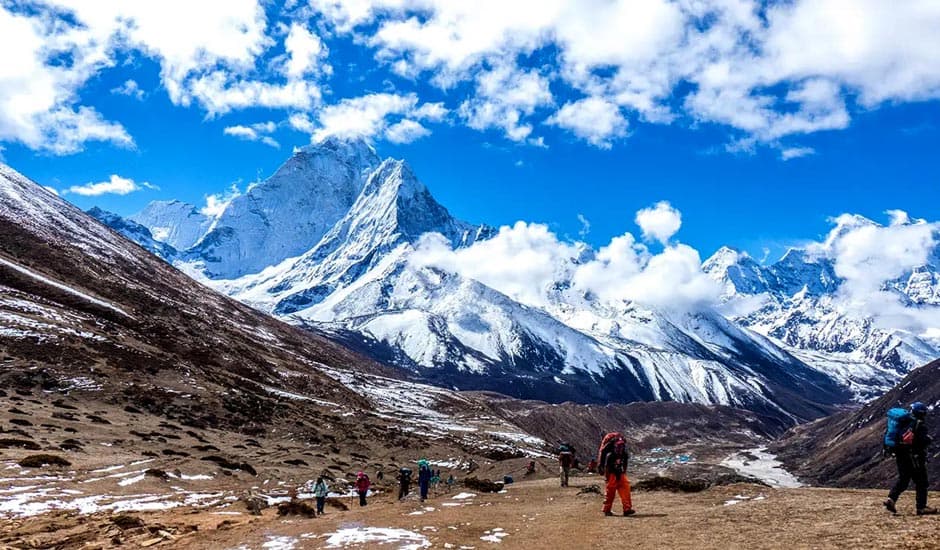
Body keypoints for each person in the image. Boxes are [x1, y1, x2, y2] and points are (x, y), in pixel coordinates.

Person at [884, 402, 936, 515]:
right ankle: (921, 507)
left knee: (903, 479)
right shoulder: (918, 425)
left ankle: (891, 499)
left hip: (900, 454)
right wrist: (928, 440)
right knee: (921, 482)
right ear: (922, 413)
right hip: (915, 457)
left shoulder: (902, 423)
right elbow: (920, 442)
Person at [598, 432, 634, 517]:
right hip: (611, 474)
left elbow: (625, 464)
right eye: (619, 446)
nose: (620, 448)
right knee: (610, 492)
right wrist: (607, 477)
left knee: (626, 489)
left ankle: (627, 509)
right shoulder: (610, 455)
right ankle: (607, 509)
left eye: (622, 446)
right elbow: (607, 467)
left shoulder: (624, 454)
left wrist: (623, 473)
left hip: (619, 473)